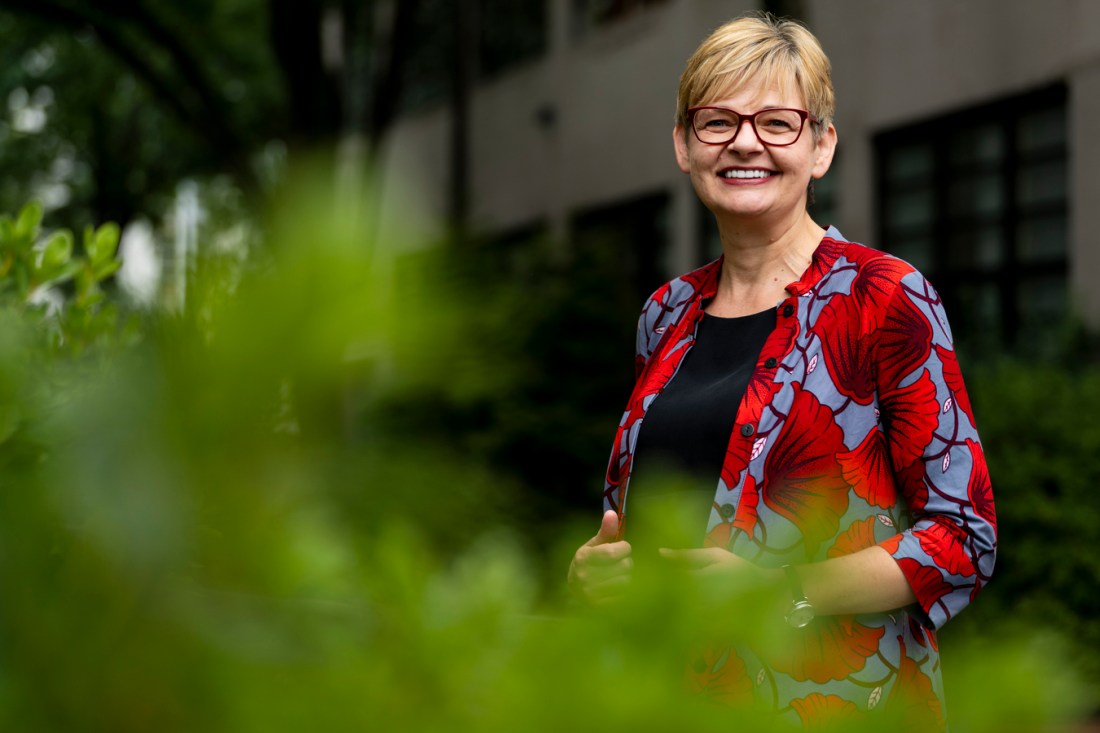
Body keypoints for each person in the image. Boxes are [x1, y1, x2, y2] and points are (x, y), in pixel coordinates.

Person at [567, 12, 996, 730]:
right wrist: (597, 570)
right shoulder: (665, 314)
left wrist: (784, 589)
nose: (744, 142)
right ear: (683, 145)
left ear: (822, 146)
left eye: (776, 123)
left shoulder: (884, 298)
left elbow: (962, 535)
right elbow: (646, 517)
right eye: (717, 122)